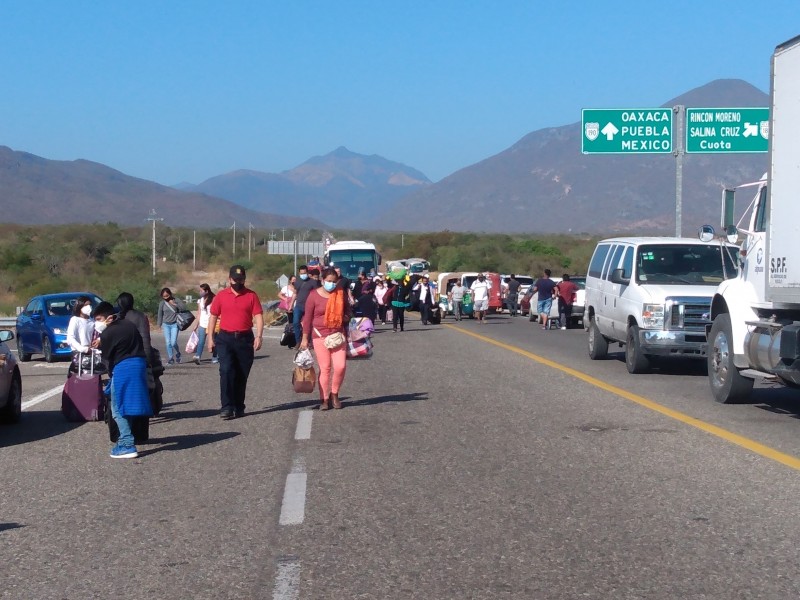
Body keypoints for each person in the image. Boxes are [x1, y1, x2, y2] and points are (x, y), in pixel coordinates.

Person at [92, 301, 151, 459]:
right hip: (139, 364)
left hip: (123, 368)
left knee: (117, 409)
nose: (96, 323)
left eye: (98, 319)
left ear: (109, 318)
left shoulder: (107, 334)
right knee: (128, 405)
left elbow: (106, 359)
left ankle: (126, 443)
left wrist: (101, 344)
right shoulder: (129, 325)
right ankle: (125, 439)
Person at [206, 265, 264, 419]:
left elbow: (258, 315)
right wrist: (210, 338)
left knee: (241, 374)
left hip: (245, 339)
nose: (238, 282)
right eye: (235, 279)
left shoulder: (251, 295)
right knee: (226, 371)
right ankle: (226, 406)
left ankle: (239, 405)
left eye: (241, 279)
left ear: (244, 279)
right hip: (225, 338)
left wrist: (259, 336)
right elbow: (213, 316)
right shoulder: (221, 296)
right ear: (229, 279)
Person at [299, 267, 351, 410]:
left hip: (337, 336)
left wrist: (344, 317)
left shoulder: (341, 294)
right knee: (325, 368)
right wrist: (304, 339)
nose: (332, 284)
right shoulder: (313, 295)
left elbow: (348, 311)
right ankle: (324, 399)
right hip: (319, 336)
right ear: (322, 280)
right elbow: (308, 318)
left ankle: (335, 393)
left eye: (334, 282)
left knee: (340, 366)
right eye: (329, 281)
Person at [157, 287, 187, 365]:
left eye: (167, 295)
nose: (166, 297)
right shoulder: (162, 303)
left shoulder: (176, 300)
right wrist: (159, 324)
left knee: (173, 342)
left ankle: (178, 354)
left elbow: (183, 308)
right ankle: (171, 358)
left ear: (170, 294)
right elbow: (160, 314)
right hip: (166, 324)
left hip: (174, 324)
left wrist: (175, 304)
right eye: (164, 296)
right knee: (168, 343)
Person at [293, 265, 319, 349]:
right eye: (301, 273)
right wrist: (290, 305)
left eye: (304, 273)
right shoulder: (297, 282)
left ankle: (310, 341)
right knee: (296, 322)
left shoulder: (312, 282)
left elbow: (317, 293)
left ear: (307, 273)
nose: (303, 274)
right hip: (298, 306)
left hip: (309, 306)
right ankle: (298, 341)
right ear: (299, 273)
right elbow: (295, 293)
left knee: (309, 324)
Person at [192, 283, 217, 364]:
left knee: (214, 340)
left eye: (201, 291)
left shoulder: (214, 299)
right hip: (202, 323)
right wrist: (196, 324)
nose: (200, 292)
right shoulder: (200, 300)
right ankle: (198, 356)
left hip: (212, 324)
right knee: (201, 341)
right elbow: (199, 313)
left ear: (206, 291)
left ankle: (215, 357)